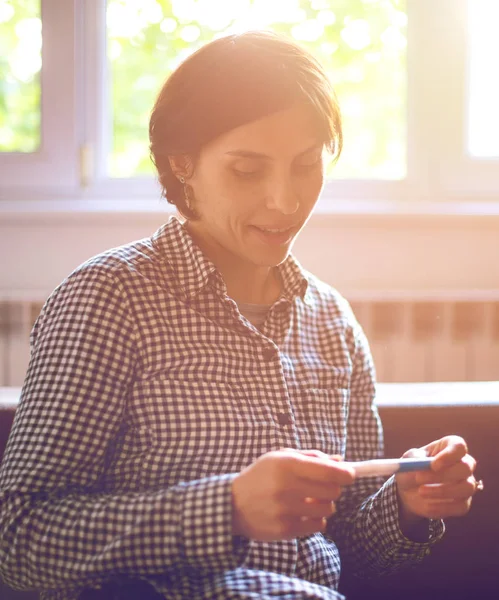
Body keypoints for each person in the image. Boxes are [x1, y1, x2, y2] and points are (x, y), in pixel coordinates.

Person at [0, 31, 479, 600]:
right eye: (248, 171)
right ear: (184, 167)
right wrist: (223, 511)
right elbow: (18, 541)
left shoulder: (332, 323)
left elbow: (346, 553)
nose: (285, 201)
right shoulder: (107, 299)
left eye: (306, 165)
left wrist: (406, 505)